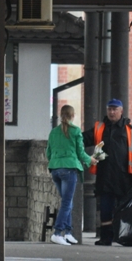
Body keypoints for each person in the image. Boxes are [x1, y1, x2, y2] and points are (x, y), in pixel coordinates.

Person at [83, 98, 132, 246]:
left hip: (124, 177)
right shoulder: (99, 127)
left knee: (125, 209)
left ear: (121, 111)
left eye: (115, 109)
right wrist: (70, 133)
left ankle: (125, 236)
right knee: (105, 209)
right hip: (105, 176)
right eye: (109, 109)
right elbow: (83, 139)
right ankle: (106, 238)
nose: (111, 112)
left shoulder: (130, 130)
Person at [45, 104, 95, 246]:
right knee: (67, 203)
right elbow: (80, 152)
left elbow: (48, 152)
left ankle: (68, 232)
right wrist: (90, 160)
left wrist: (56, 161)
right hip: (69, 169)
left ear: (61, 115)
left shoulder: (53, 132)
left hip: (55, 169)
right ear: (73, 116)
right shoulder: (75, 131)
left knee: (67, 202)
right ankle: (57, 233)